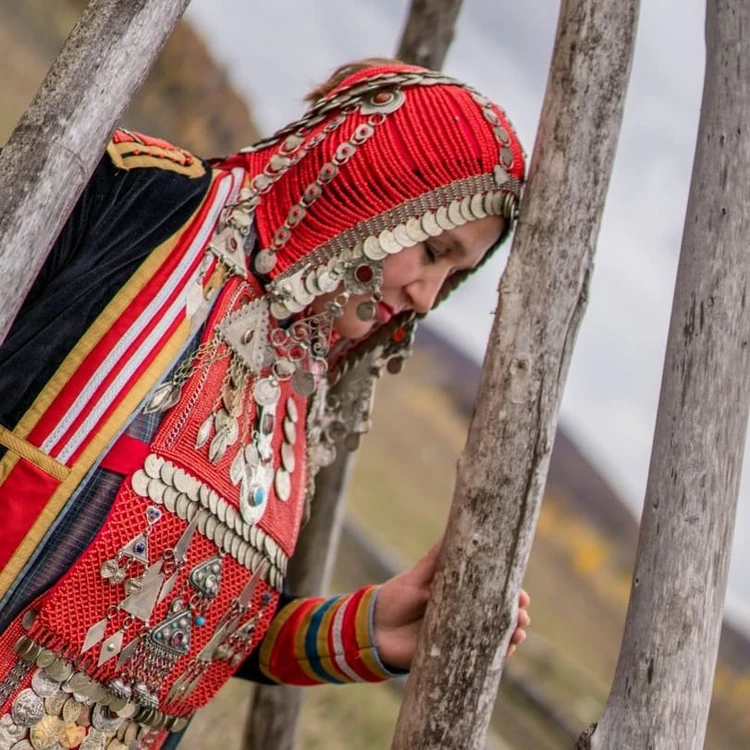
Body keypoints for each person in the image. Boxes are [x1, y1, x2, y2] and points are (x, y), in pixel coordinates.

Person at [0, 59, 530, 748]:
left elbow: (175, 632)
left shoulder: (297, 385)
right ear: (374, 192)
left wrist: (366, 627)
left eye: (453, 275)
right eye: (433, 250)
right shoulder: (138, 200)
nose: (427, 297)